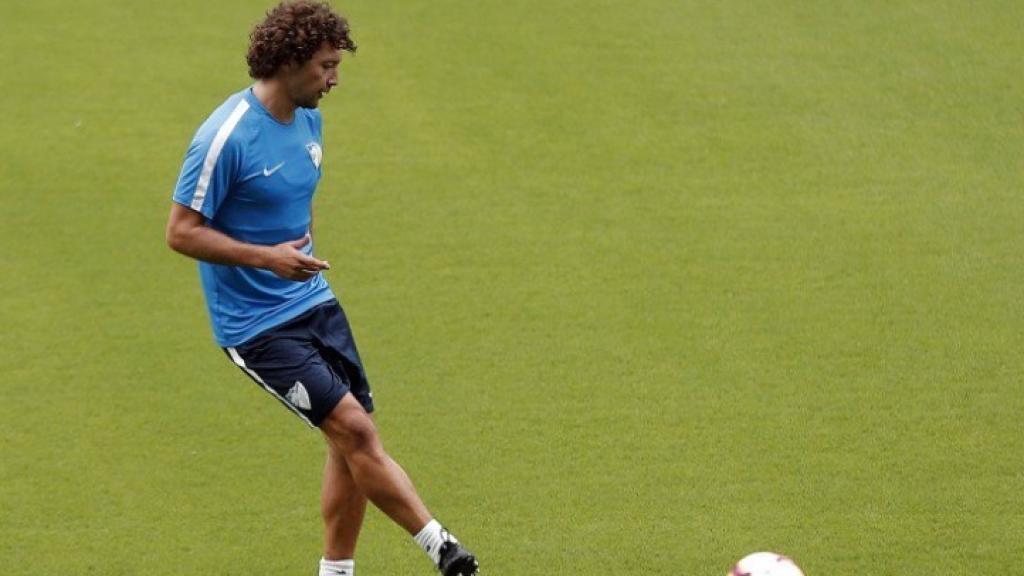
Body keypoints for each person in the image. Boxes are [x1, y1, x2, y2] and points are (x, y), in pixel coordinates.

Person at [164, 3, 479, 575]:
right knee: (355, 428)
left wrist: (298, 256)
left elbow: (293, 201)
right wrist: (268, 259)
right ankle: (443, 547)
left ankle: (335, 572)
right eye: (326, 66)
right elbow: (180, 233)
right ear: (288, 62)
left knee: (349, 439)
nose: (335, 78)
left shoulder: (309, 119)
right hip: (254, 326)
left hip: (311, 301)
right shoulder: (223, 137)